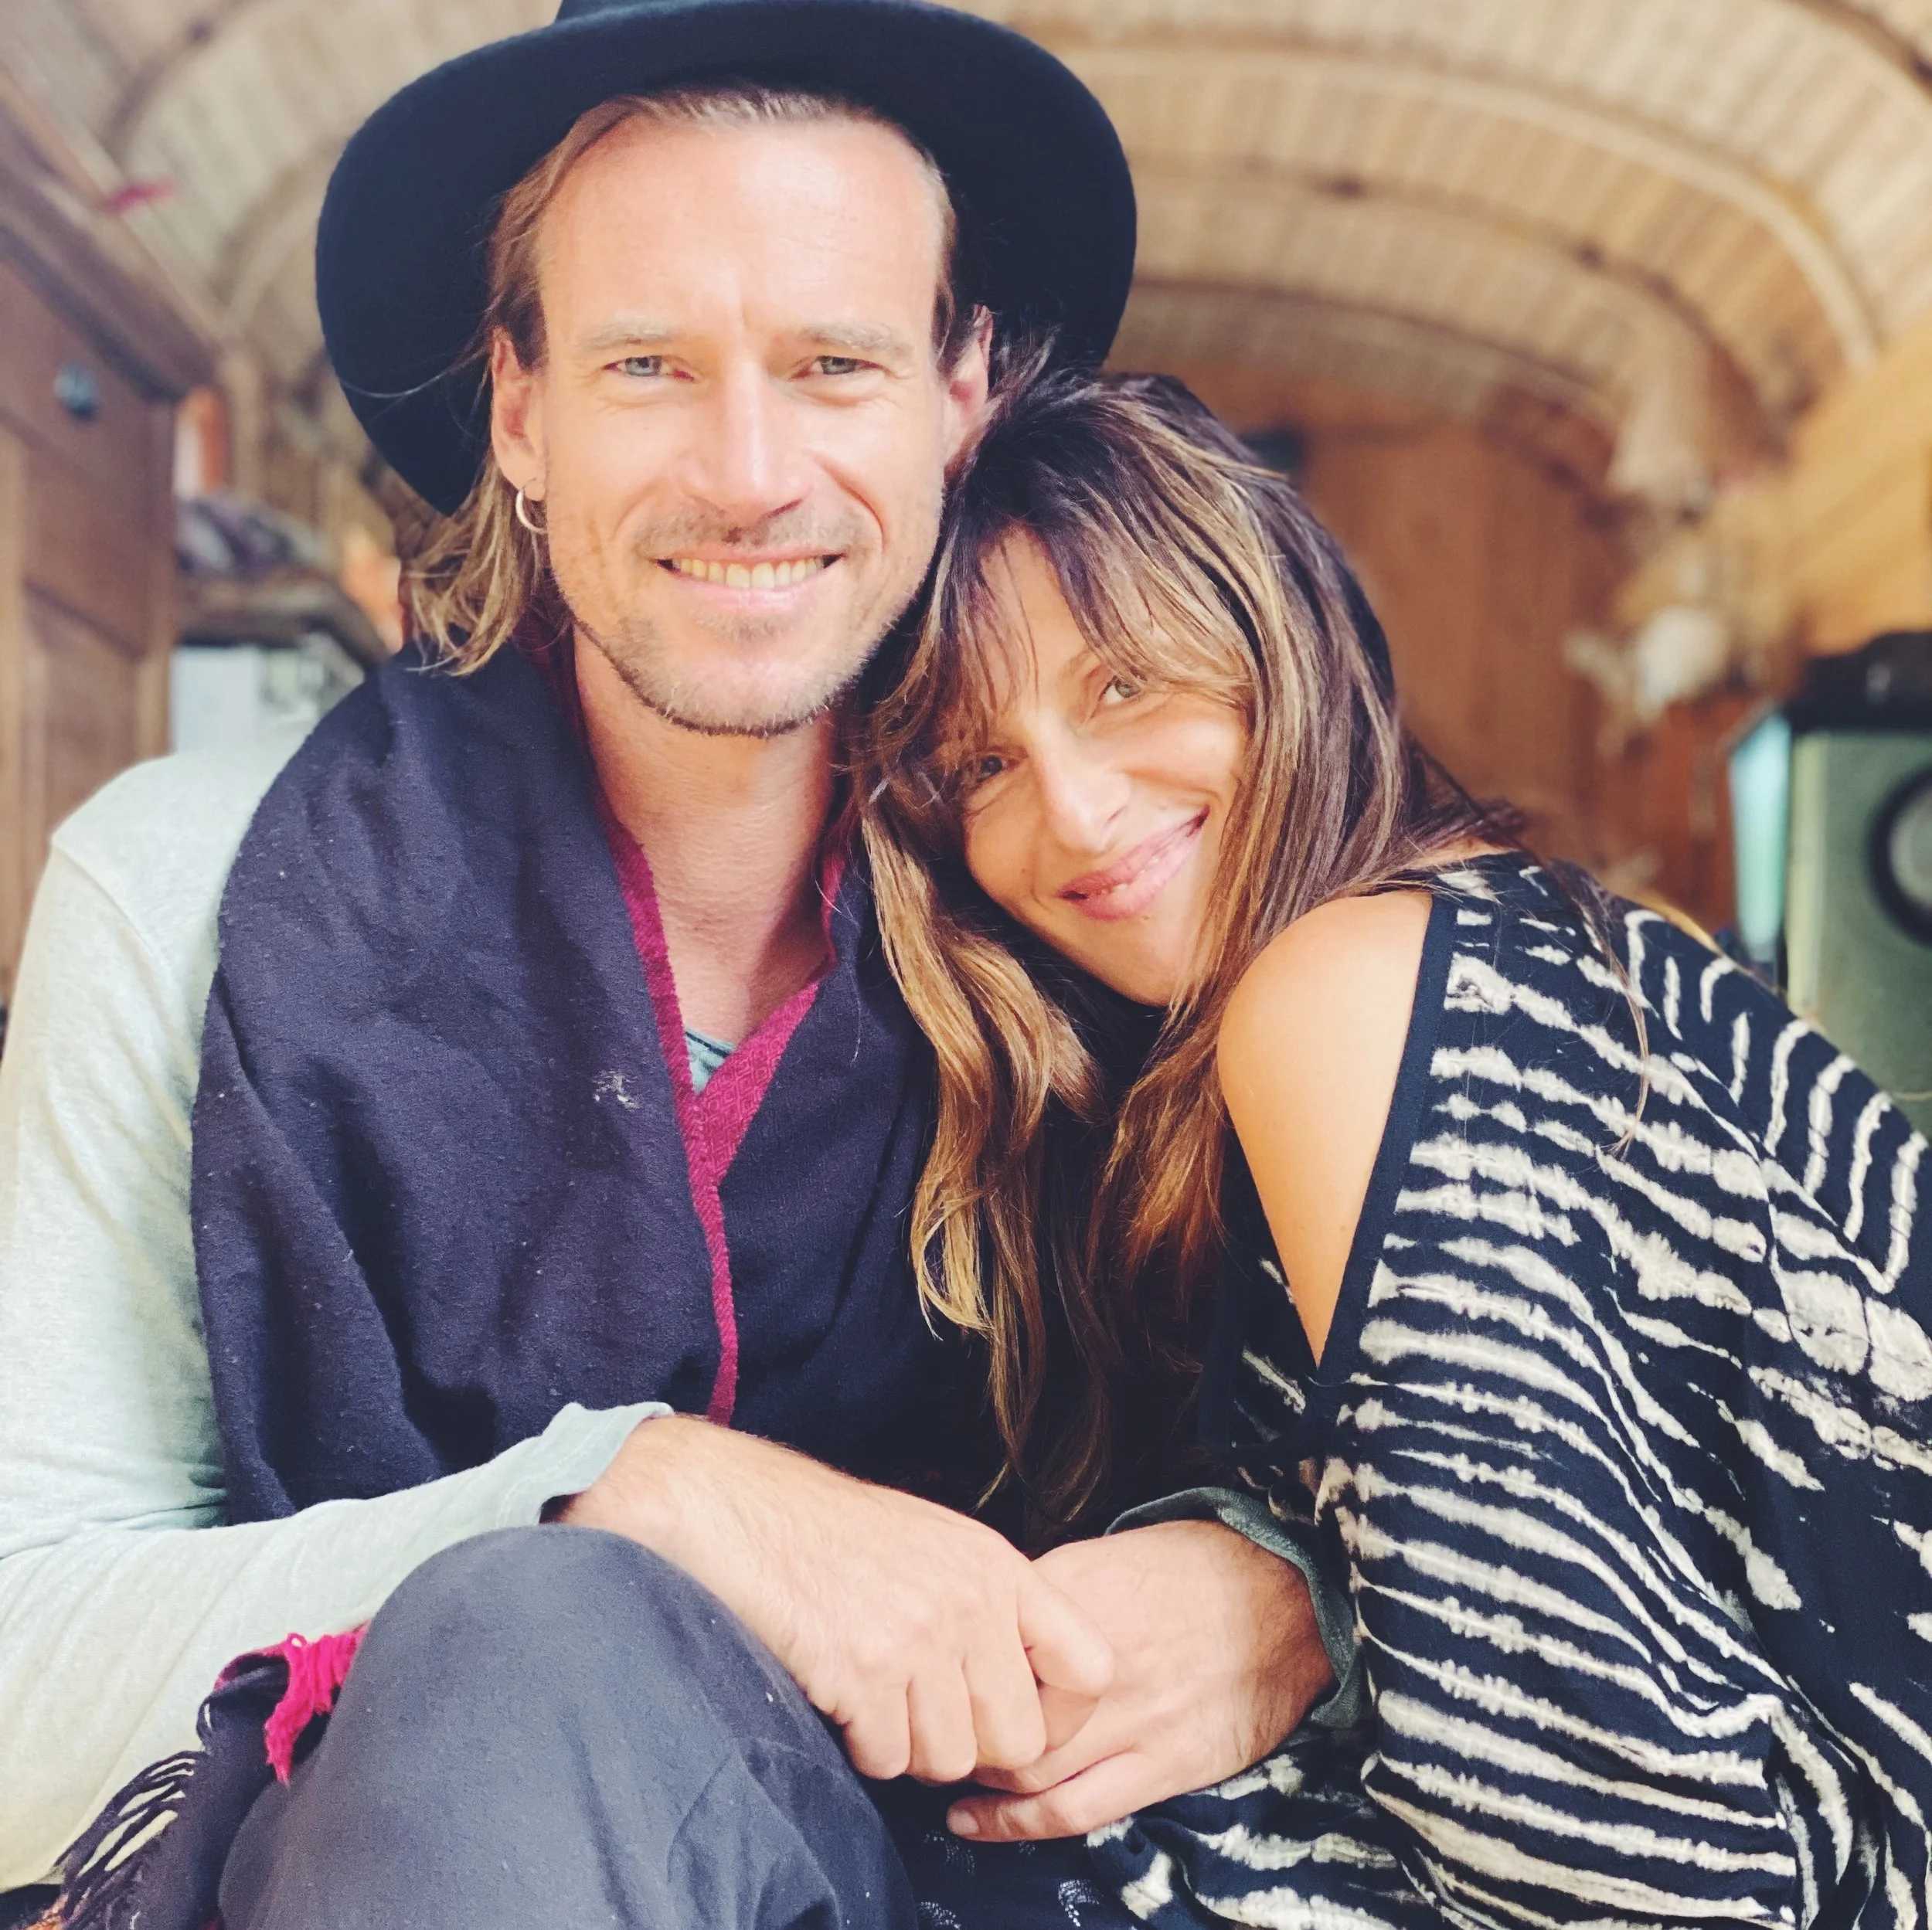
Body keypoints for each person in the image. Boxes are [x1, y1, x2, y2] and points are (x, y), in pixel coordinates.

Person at [0, 6, 1349, 1928]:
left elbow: (1463, 1449)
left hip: (1021, 1884)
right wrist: (616, 1497)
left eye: (833, 364)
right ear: (522, 414)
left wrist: (1280, 1592)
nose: (746, 470)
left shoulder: (1105, 881)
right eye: (648, 364)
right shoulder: (182, 888)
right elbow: (14, 1672)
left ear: (959, 394)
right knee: (522, 1650)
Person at [855, 369, 1932, 1925]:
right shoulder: (1456, 969)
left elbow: (1602, 1847)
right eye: (979, 765)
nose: (1077, 816)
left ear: (1275, 642)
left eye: (1119, 685)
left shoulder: (1344, 990)